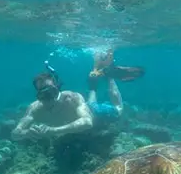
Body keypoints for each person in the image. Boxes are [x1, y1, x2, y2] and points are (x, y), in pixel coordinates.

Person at [11, 50, 144, 141]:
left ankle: (109, 77)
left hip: (94, 113)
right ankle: (93, 82)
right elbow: (14, 134)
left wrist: (53, 130)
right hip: (85, 111)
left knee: (118, 111)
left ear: (58, 89)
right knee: (91, 100)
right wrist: (26, 133)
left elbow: (87, 122)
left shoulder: (72, 98)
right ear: (38, 96)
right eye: (43, 95)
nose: (48, 99)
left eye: (51, 93)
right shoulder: (34, 109)